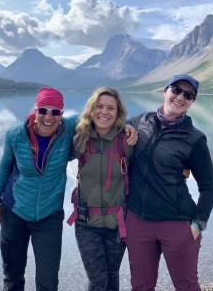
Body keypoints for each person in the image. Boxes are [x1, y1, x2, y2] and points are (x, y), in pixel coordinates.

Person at [0, 87, 137, 291]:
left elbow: (103, 117)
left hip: (49, 216)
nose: (49, 116)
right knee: (13, 276)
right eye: (43, 110)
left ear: (62, 113)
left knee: (48, 282)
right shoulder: (15, 134)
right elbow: (4, 166)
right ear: (36, 109)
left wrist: (127, 124)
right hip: (15, 211)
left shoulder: (69, 129)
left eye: (55, 112)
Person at [125, 74, 213, 291]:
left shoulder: (195, 139)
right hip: (138, 221)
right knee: (141, 286)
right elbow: (116, 124)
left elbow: (209, 187)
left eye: (188, 95)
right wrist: (125, 125)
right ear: (165, 91)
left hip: (177, 222)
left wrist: (198, 224)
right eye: (176, 90)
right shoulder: (139, 122)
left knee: (186, 285)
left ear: (192, 101)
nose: (180, 97)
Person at [67, 87, 133, 291]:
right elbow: (51, 148)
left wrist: (183, 169)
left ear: (118, 112)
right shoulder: (80, 138)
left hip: (117, 223)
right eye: (99, 106)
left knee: (112, 276)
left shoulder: (128, 141)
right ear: (91, 109)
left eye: (110, 108)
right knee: (98, 280)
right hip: (86, 222)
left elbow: (153, 164)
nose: (104, 112)